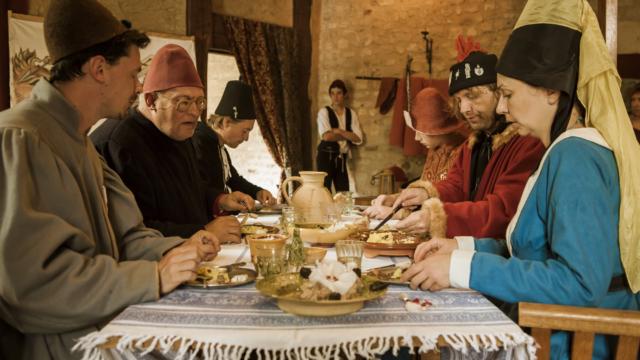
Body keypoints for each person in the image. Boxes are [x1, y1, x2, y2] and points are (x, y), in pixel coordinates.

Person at [402, 0, 640, 358]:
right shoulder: (560, 151)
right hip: (543, 330)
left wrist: (464, 268)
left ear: (551, 92)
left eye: (508, 94)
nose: (501, 108)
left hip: (565, 344)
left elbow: (579, 283)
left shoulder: (576, 158)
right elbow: (536, 250)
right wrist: (463, 248)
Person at [0, 1, 219, 358]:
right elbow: (30, 286)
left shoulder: (80, 141)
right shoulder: (19, 138)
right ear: (99, 69)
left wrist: (179, 249)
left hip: (103, 318)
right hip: (61, 343)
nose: (137, 86)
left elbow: (126, 238)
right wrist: (154, 277)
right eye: (133, 73)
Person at [371, 51, 545, 240]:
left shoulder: (527, 142)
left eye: (472, 96)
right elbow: (456, 186)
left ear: (499, 92)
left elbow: (503, 211)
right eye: (460, 100)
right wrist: (424, 194)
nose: (464, 109)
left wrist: (438, 218)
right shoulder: (472, 145)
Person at [91, 44, 248, 242]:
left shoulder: (181, 132)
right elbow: (135, 232)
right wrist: (203, 231)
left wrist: (220, 200)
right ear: (151, 101)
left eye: (200, 102)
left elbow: (191, 191)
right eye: (183, 102)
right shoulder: (120, 143)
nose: (194, 112)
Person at [363, 87, 468, 225]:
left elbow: (452, 204)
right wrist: (393, 199)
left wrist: (397, 214)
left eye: (420, 131)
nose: (416, 138)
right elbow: (423, 193)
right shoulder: (435, 150)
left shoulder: (463, 152)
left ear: (436, 129)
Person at [192, 81, 277, 207]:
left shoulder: (219, 147)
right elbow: (200, 192)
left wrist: (257, 192)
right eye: (245, 131)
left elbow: (233, 180)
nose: (246, 138)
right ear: (226, 122)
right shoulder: (201, 144)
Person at [315, 79, 363, 192]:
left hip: (342, 158)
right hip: (326, 156)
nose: (335, 97)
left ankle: (341, 210)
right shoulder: (324, 112)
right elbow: (327, 137)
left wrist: (339, 131)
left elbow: (358, 138)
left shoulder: (351, 113)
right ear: (330, 95)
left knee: (343, 192)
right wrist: (348, 135)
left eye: (339, 93)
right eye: (333, 93)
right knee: (324, 191)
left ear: (344, 94)